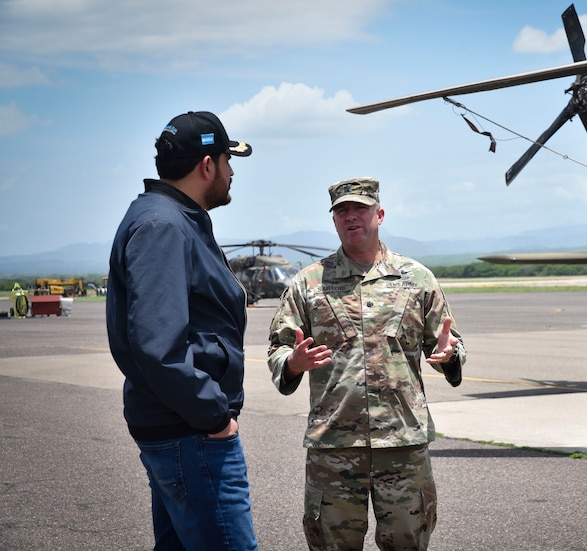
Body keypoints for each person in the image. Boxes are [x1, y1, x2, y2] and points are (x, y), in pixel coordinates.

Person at [267, 177, 466, 551]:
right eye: (342, 211)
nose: (351, 216)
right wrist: (293, 361)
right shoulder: (308, 283)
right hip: (334, 449)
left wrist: (450, 356)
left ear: (380, 214)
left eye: (359, 208)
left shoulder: (417, 278)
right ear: (335, 221)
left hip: (403, 446)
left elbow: (448, 345)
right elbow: (278, 352)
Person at [107, 111, 258, 550]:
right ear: (207, 165)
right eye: (228, 161)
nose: (231, 172)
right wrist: (215, 417)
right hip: (191, 434)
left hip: (180, 428)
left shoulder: (170, 218)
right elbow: (158, 346)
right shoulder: (164, 225)